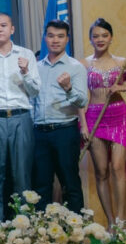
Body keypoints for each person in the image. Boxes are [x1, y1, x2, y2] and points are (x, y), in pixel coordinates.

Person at [0, 12, 41, 220]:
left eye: (3, 25)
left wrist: (26, 72)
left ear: (12, 29)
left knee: (22, 175)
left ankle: (22, 225)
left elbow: (35, 91)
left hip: (21, 118)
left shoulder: (26, 55)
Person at [80, 18, 126, 225]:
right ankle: (110, 222)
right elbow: (79, 98)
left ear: (111, 38)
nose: (100, 39)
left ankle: (121, 220)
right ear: (90, 39)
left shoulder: (122, 63)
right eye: (96, 36)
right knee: (101, 172)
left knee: (118, 167)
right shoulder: (83, 65)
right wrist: (83, 125)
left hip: (120, 118)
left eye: (104, 35)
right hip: (94, 119)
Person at [32, 20, 88, 212]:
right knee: (41, 185)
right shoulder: (36, 67)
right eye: (51, 36)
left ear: (67, 39)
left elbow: (82, 101)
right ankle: (41, 227)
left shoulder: (75, 67)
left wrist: (68, 88)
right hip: (39, 133)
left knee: (70, 183)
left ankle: (76, 226)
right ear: (45, 38)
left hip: (65, 131)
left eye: (60, 36)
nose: (55, 40)